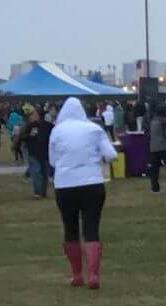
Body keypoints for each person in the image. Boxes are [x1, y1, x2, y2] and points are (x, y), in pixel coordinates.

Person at [48, 97, 116, 287]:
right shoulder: (94, 129)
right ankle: (94, 274)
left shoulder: (57, 131)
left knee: (70, 228)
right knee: (91, 227)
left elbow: (52, 161)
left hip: (65, 185)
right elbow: (111, 154)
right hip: (92, 182)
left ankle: (77, 274)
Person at [20, 105, 52, 198]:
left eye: (34, 114)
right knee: (36, 172)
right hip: (33, 153)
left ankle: (43, 192)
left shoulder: (48, 126)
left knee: (44, 173)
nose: (32, 116)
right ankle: (37, 192)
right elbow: (23, 137)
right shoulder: (30, 126)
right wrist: (30, 135)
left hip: (45, 153)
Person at [146, 101, 166, 191]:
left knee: (154, 169)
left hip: (153, 147)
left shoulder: (153, 120)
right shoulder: (164, 121)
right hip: (163, 146)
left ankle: (155, 187)